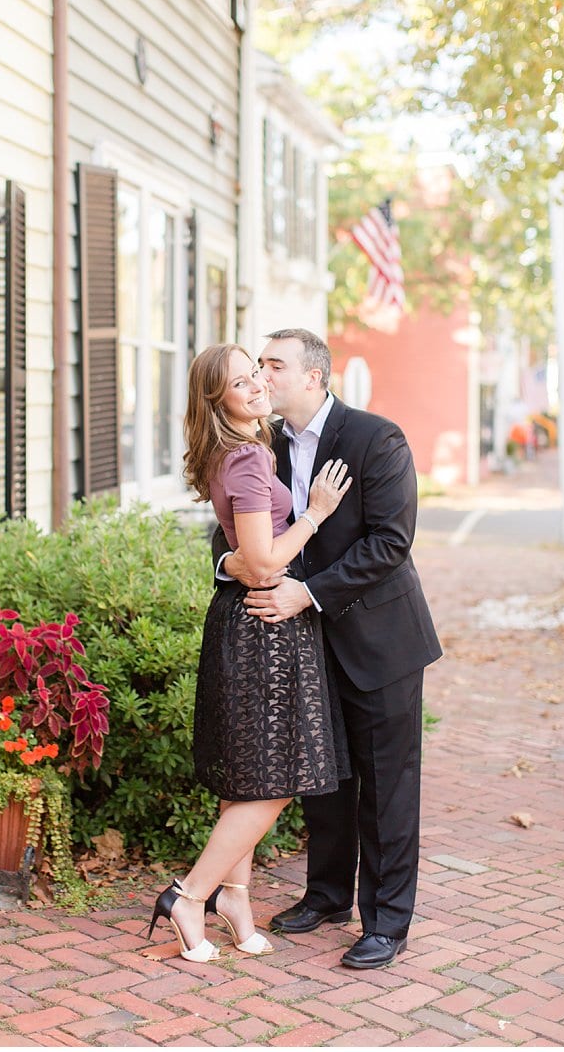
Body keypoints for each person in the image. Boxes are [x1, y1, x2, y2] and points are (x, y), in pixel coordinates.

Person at [215, 328, 442, 971]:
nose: (263, 374)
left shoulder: (377, 438)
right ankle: (327, 895)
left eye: (275, 364)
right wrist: (236, 565)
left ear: (314, 376)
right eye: (258, 364)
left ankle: (387, 922)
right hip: (303, 646)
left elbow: (389, 543)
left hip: (380, 642)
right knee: (325, 780)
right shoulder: (261, 444)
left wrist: (304, 594)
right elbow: (232, 526)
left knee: (387, 788)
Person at [150, 343, 352, 964]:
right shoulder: (244, 459)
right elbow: (264, 561)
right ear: (220, 401)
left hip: (255, 622)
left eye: (259, 371)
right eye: (241, 382)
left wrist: (234, 561)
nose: (257, 385)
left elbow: (240, 550)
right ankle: (190, 895)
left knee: (250, 774)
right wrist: (315, 515)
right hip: (262, 627)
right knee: (274, 780)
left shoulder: (242, 451)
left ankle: (236, 898)